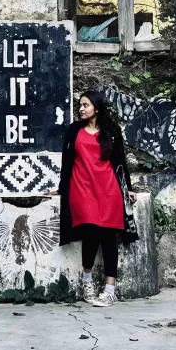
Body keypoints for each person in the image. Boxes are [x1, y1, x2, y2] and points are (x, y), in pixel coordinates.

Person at [57, 90, 138, 307]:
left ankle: (110, 289)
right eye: (80, 105)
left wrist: (127, 189)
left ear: (97, 107)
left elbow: (120, 162)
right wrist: (60, 188)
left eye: (85, 105)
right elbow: (66, 163)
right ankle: (87, 279)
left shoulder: (111, 131)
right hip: (82, 188)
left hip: (109, 189)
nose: (81, 109)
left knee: (109, 237)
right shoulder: (74, 130)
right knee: (91, 232)